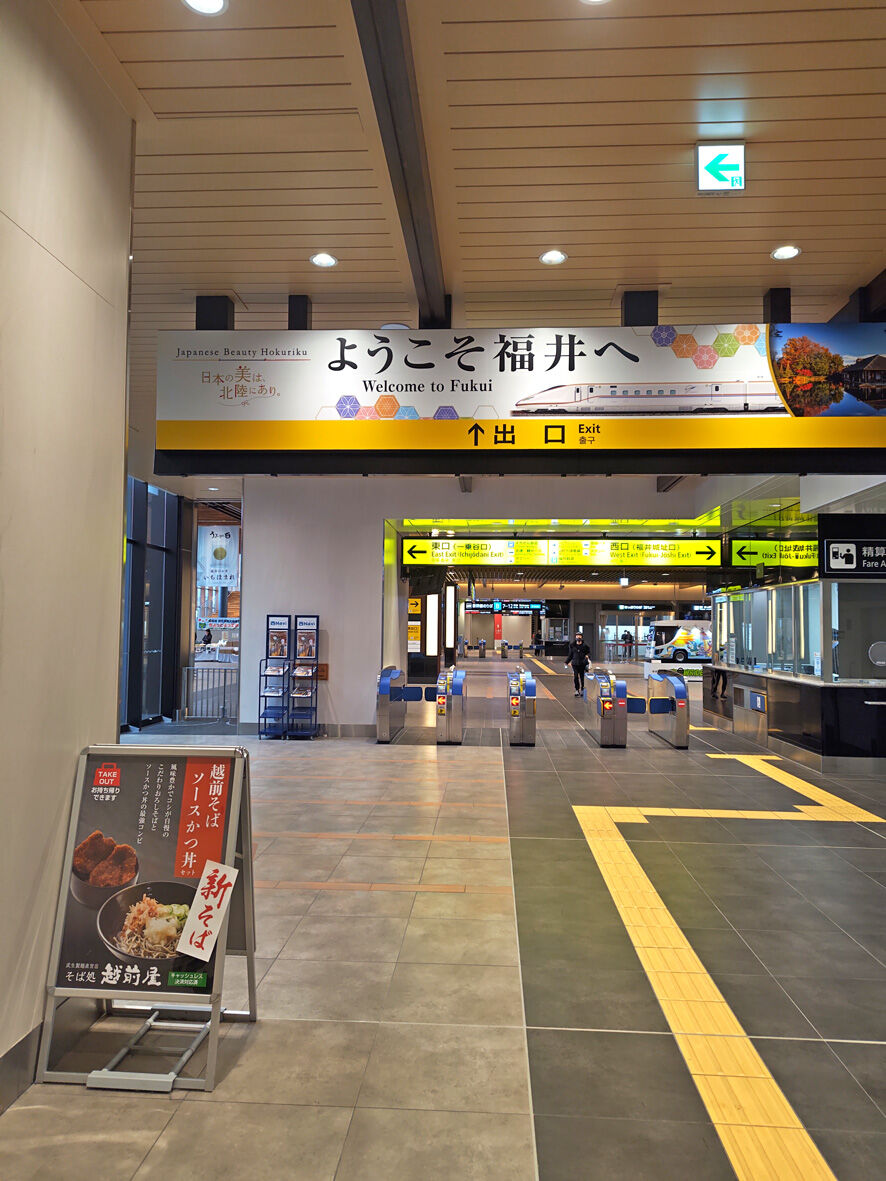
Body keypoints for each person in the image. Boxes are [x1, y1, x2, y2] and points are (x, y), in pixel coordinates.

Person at [565, 632, 591, 696]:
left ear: (581, 637)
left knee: (582, 677)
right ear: (575, 637)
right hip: (575, 664)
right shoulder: (572, 646)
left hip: (582, 663)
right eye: (577, 636)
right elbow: (570, 655)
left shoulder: (585, 646)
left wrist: (587, 656)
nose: (578, 637)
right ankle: (577, 690)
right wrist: (566, 662)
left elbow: (589, 653)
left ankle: (582, 689)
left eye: (579, 636)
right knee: (575, 677)